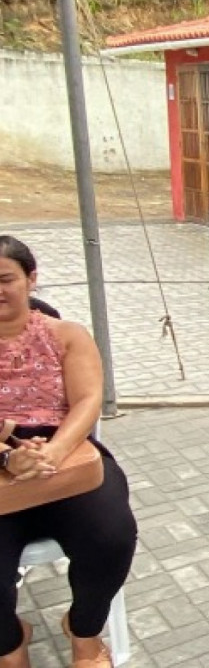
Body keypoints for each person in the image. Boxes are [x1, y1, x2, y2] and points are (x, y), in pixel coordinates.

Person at [0, 236, 137, 668]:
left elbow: (87, 401)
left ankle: (84, 633)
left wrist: (52, 454)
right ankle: (9, 645)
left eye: (5, 279)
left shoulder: (67, 335)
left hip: (67, 455)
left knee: (111, 536)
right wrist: (8, 457)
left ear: (30, 279)